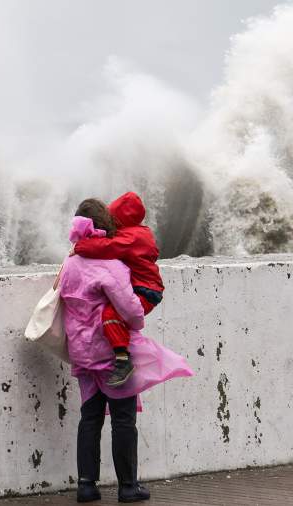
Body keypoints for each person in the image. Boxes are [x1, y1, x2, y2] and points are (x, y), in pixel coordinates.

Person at [59, 199, 193, 503]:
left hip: (81, 351)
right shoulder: (111, 266)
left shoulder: (69, 261)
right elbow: (133, 313)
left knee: (90, 418)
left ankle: (86, 485)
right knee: (122, 419)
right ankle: (128, 487)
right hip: (110, 354)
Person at [73, 192, 163, 388]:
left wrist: (81, 246)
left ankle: (123, 360)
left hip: (145, 290)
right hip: (144, 287)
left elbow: (108, 246)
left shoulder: (132, 238)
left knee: (111, 314)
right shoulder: (138, 232)